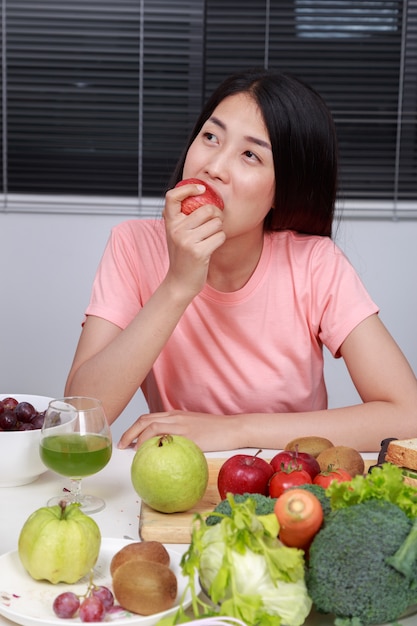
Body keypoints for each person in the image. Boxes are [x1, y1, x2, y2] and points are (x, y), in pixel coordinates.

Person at [65, 68, 417, 453]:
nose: (213, 166)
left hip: (291, 488)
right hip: (181, 484)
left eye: (250, 154)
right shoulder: (132, 246)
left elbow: (407, 416)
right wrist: (178, 286)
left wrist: (234, 431)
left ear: (283, 190)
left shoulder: (315, 264)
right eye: (210, 137)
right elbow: (80, 420)